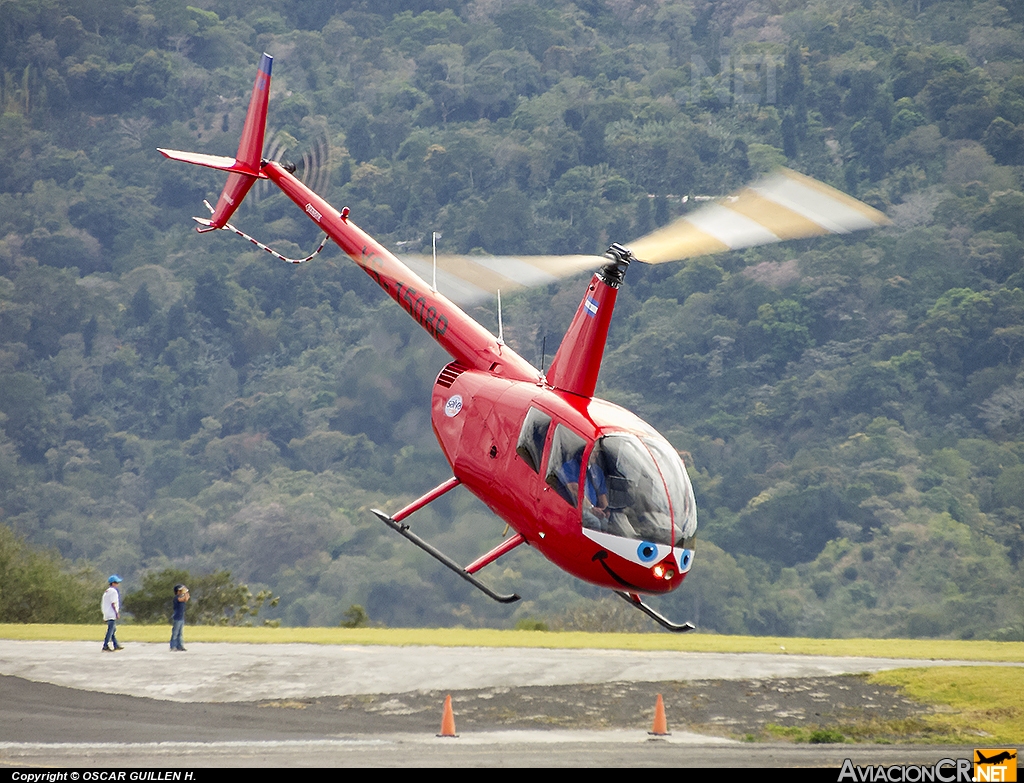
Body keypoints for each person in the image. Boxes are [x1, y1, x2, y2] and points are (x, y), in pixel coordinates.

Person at [101, 576, 124, 652]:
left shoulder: (107, 591)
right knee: (110, 630)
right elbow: (113, 603)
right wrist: (116, 613)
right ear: (113, 583)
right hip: (111, 613)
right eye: (116, 583)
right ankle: (105, 645)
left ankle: (115, 644)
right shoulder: (113, 591)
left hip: (107, 612)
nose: (117, 584)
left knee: (113, 629)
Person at [170, 584, 189, 651]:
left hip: (181, 618)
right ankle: (173, 646)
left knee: (180, 633)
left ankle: (180, 646)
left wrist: (186, 591)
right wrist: (185, 591)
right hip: (177, 617)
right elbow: (183, 599)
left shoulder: (182, 597)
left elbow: (186, 598)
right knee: (175, 633)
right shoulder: (177, 598)